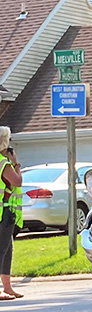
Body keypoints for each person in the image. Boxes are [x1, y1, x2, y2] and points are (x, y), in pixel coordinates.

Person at [0, 127, 22, 300]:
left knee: (7, 249)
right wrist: (16, 164)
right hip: (3, 212)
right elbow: (17, 182)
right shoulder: (3, 164)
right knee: (2, 250)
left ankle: (7, 287)